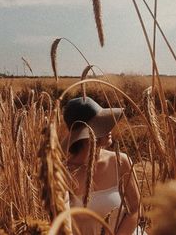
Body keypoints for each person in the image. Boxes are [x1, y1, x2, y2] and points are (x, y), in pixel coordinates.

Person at [62, 96, 145, 235]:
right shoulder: (65, 172)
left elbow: (137, 210)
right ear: (85, 133)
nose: (110, 128)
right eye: (101, 124)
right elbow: (62, 226)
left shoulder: (120, 161)